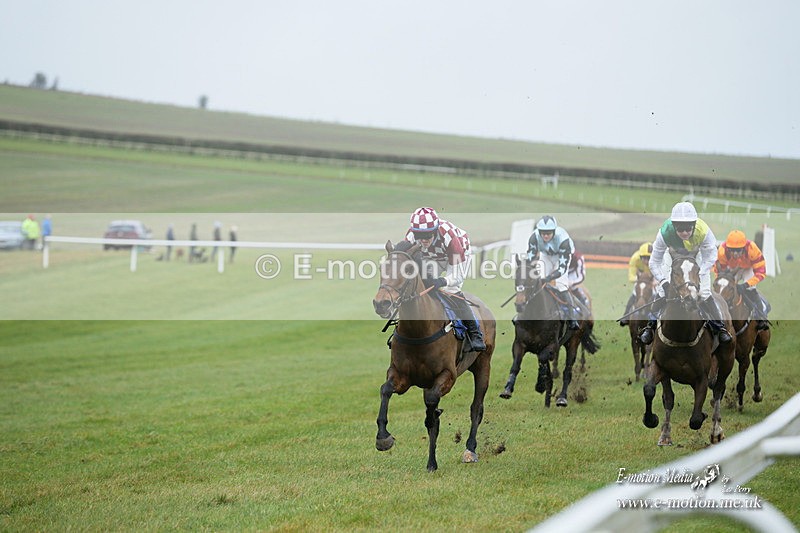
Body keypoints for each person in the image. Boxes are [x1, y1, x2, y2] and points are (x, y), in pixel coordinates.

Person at [639, 201, 732, 345]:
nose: (684, 233)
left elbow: (712, 255)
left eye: (688, 228)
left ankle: (720, 328)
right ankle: (650, 327)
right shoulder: (664, 232)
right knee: (663, 293)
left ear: (694, 225)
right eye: (680, 229)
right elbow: (654, 262)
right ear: (674, 225)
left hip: (698, 256)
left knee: (705, 292)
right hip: (672, 256)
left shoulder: (703, 231)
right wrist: (663, 283)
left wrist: (700, 273)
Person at [404, 207, 485, 352]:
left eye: (428, 235)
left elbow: (457, 275)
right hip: (432, 257)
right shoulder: (411, 236)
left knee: (451, 289)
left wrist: (442, 281)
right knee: (424, 286)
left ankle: (475, 334)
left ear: (435, 230)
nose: (423, 240)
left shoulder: (449, 237)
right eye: (419, 235)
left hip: (458, 253)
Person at [527, 215, 580, 330]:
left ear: (554, 231)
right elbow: (530, 257)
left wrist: (549, 277)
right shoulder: (534, 237)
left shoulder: (563, 240)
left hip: (561, 256)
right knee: (536, 281)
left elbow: (561, 268)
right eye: (543, 233)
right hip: (545, 255)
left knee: (561, 285)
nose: (545, 236)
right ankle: (526, 312)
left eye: (548, 233)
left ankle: (572, 318)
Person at [713, 230, 770, 331]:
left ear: (744, 248)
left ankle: (761, 317)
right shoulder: (722, 251)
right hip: (731, 268)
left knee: (751, 289)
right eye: (732, 250)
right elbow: (719, 272)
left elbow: (761, 273)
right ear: (727, 248)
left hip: (748, 268)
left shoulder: (752, 249)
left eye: (738, 250)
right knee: (724, 287)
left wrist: (746, 285)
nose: (735, 254)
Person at [618, 242, 653, 326]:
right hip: (641, 280)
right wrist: (641, 280)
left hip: (653, 280)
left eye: (649, 258)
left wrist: (654, 281)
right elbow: (631, 276)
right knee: (635, 292)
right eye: (644, 258)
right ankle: (626, 315)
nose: (647, 261)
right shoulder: (634, 258)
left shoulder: (659, 258)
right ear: (640, 257)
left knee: (657, 293)